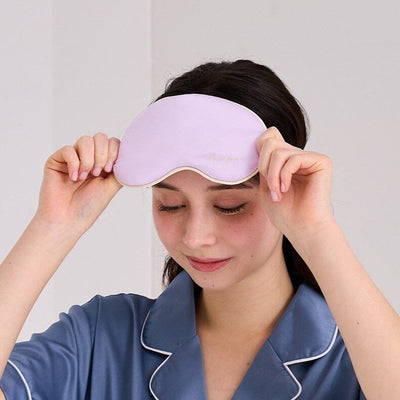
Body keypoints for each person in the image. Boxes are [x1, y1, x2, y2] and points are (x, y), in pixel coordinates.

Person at [0, 59, 398, 400]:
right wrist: (53, 227)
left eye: (230, 205)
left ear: (287, 189)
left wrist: (316, 229)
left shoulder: (357, 355)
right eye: (170, 204)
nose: (195, 237)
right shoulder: (101, 339)